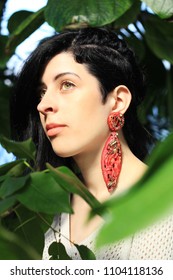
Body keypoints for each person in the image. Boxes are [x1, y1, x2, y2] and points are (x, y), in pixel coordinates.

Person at [11, 27, 173, 260]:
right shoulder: (41, 213)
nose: (43, 105)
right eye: (41, 93)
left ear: (117, 101)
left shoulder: (165, 203)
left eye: (67, 84)